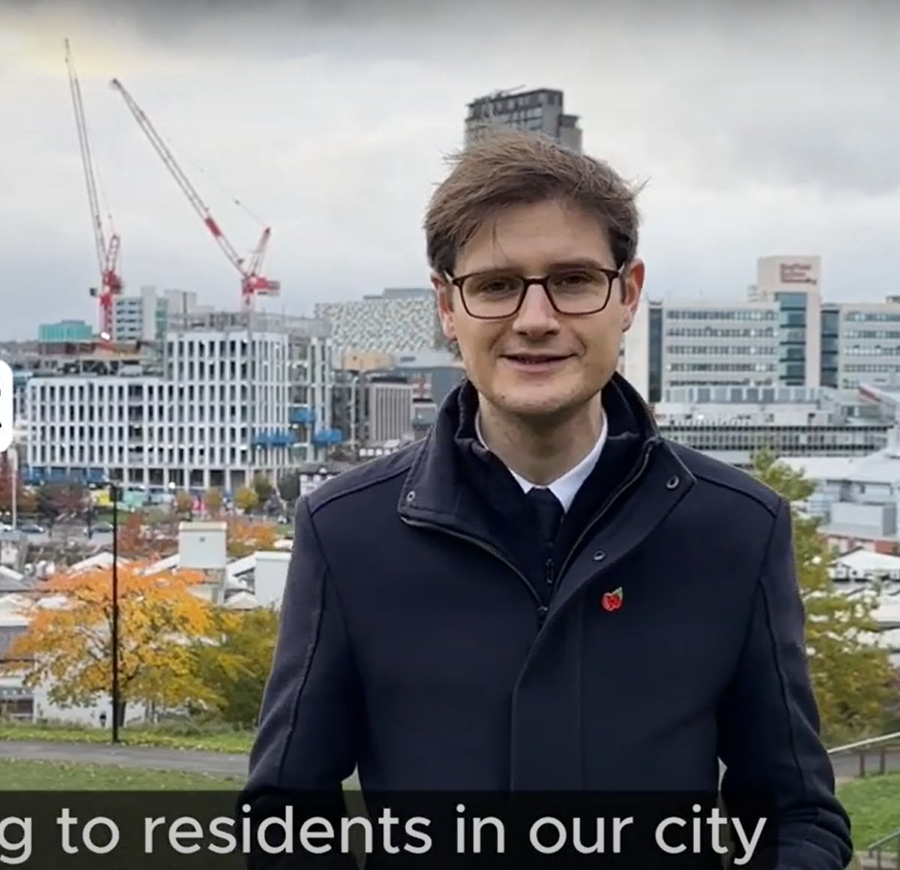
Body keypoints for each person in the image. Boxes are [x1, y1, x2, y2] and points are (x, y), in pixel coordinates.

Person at [241, 132, 851, 870]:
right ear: (446, 306)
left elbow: (796, 817)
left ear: (626, 295)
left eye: (571, 280)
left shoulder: (735, 528)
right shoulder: (347, 532)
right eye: (496, 285)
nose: (535, 318)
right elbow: (283, 813)